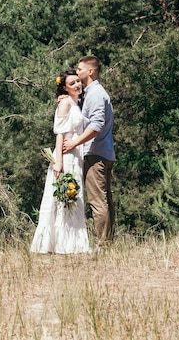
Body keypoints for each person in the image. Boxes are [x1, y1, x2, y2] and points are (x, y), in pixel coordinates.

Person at [30, 69, 92, 254]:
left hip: (76, 152)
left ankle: (73, 243)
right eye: (72, 83)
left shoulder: (76, 101)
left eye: (78, 81)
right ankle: (57, 243)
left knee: (73, 195)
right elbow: (60, 133)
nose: (77, 85)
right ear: (64, 87)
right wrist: (58, 162)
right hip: (66, 153)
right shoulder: (65, 103)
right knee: (63, 195)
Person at [63, 55, 116, 242]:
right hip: (105, 152)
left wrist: (74, 143)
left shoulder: (96, 94)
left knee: (97, 202)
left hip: (96, 154)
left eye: (80, 69)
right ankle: (108, 241)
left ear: (90, 71)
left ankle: (103, 244)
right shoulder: (93, 93)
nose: (77, 72)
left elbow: (96, 125)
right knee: (105, 201)